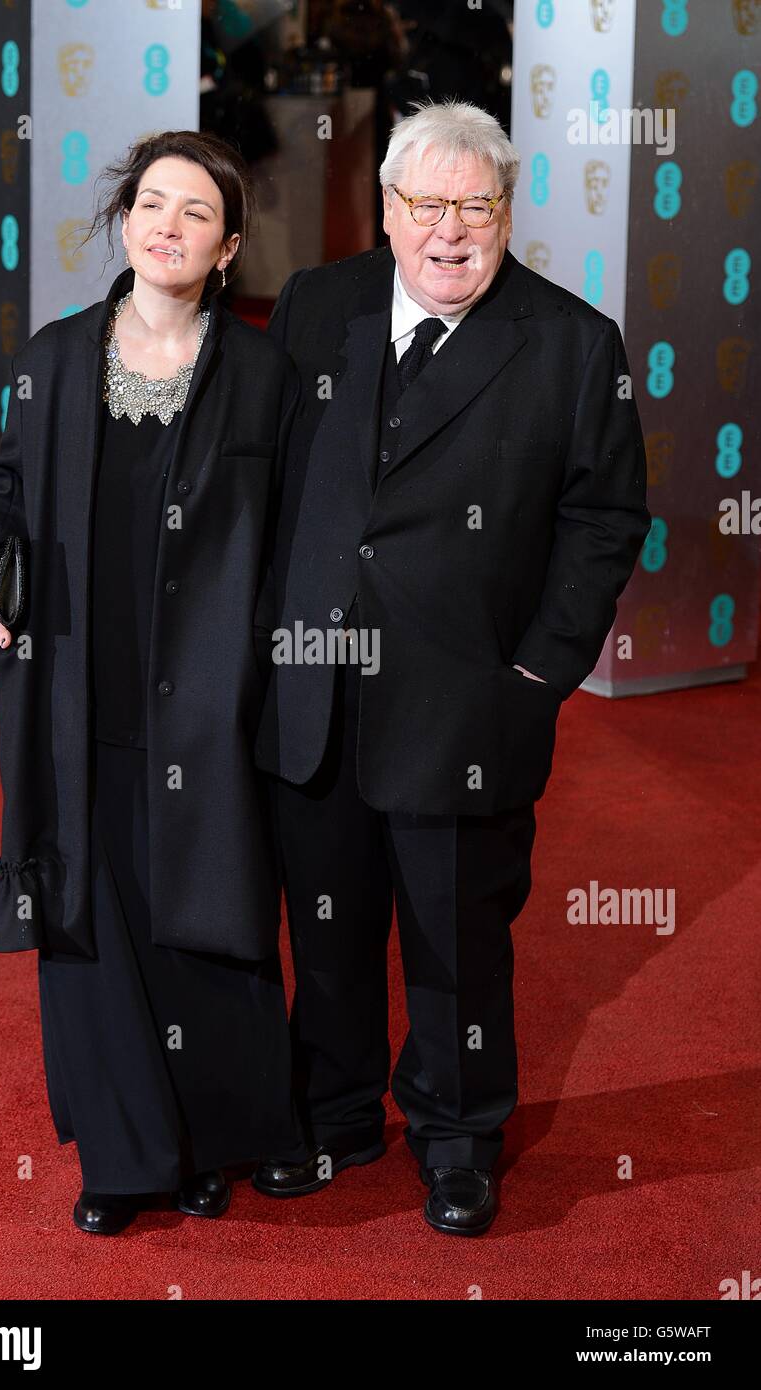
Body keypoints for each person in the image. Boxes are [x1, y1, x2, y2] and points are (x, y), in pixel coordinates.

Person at [252, 100, 651, 1235]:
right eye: (424, 205)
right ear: (385, 211)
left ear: (506, 213)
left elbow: (605, 519)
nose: (448, 232)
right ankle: (332, 1115)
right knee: (325, 927)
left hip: (466, 706)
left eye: (475, 207)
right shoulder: (316, 307)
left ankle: (458, 1133)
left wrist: (533, 679)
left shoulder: (573, 344)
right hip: (315, 687)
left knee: (458, 940)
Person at [0, 130, 306, 1236]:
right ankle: (122, 1152)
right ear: (123, 220)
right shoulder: (56, 356)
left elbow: (293, 532)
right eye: (152, 203)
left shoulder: (260, 373)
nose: (168, 225)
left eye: (196, 213)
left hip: (204, 691)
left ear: (229, 246)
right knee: (89, 912)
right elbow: (3, 488)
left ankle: (212, 1143)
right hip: (74, 684)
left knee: (199, 908)